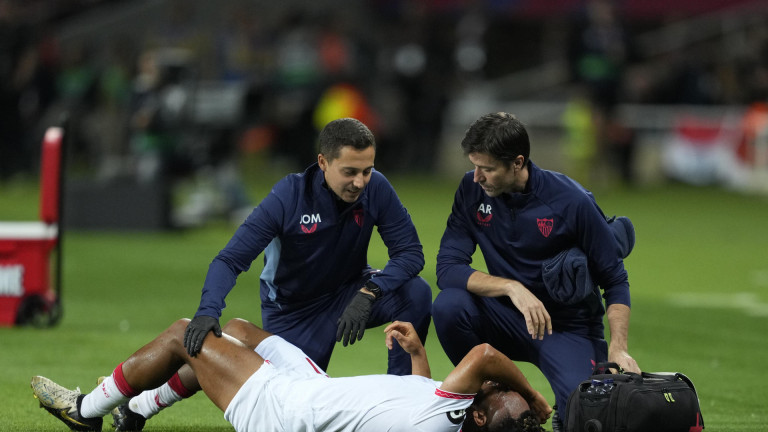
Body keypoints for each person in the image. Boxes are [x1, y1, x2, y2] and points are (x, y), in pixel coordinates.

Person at [108, 117, 432, 430]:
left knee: (415, 292)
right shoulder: (288, 196)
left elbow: (410, 253)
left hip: (349, 292)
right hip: (293, 312)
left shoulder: (376, 188)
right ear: (323, 162)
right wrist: (208, 310)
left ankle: (400, 403)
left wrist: (369, 293)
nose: (360, 182)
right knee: (287, 401)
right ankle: (144, 404)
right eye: (350, 172)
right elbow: (230, 259)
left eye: (367, 170)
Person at [431, 112, 640, 431]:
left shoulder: (571, 201)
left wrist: (618, 348)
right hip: (506, 317)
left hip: (568, 327)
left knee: (584, 416)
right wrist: (512, 288)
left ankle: (566, 407)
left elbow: (615, 280)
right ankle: (496, 397)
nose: (476, 177)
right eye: (475, 166)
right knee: (449, 305)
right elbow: (447, 268)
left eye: (486, 168)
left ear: (517, 162)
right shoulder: (472, 191)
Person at [31, 319, 552, 432]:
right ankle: (137, 411)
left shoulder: (452, 412)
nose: (500, 387)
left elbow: (485, 353)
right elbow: (414, 399)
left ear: (479, 415)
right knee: (236, 331)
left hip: (282, 410)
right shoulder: (449, 417)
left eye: (502, 396)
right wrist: (418, 355)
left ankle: (86, 412)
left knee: (182, 337)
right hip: (310, 389)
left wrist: (532, 393)